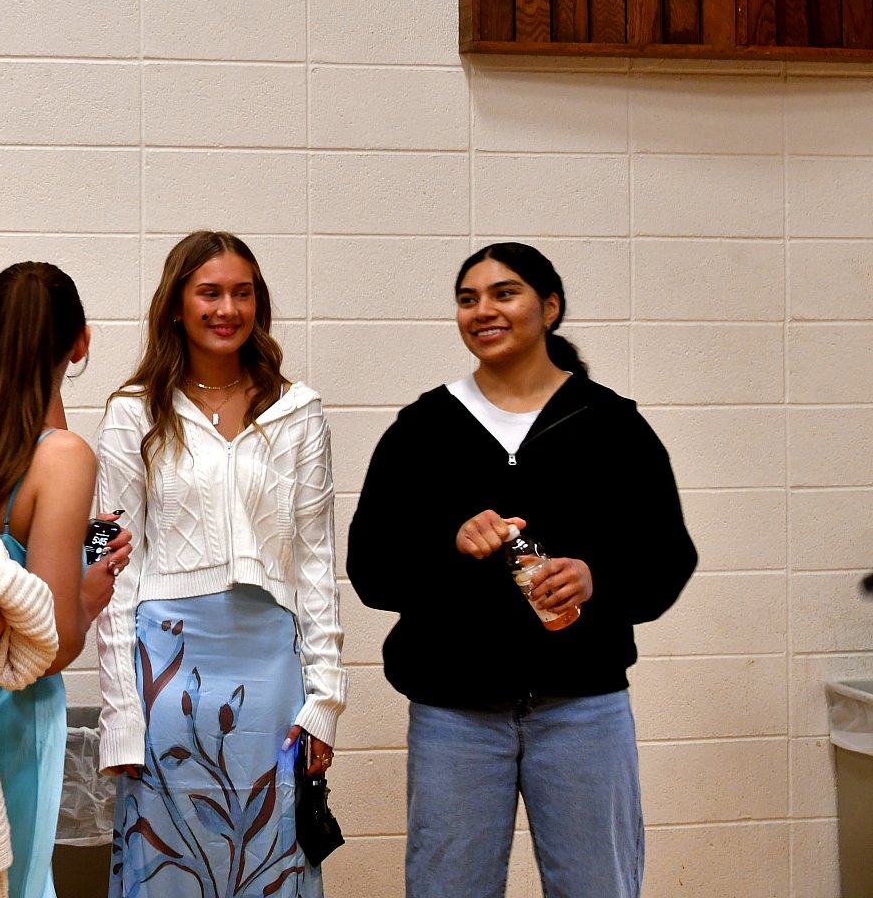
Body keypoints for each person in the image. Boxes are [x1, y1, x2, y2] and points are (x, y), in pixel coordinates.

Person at [346, 243, 696, 898]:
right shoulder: (423, 429)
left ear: (550, 307)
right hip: (454, 712)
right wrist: (449, 545)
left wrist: (597, 578)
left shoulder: (611, 424)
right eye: (468, 298)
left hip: (584, 707)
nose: (483, 310)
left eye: (504, 293)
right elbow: (371, 568)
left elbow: (669, 556)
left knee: (598, 887)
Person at [96, 231, 345, 898]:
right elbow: (108, 563)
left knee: (270, 851)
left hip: (271, 671)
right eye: (210, 293)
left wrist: (325, 698)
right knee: (168, 860)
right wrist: (121, 715)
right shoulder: (130, 412)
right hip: (167, 669)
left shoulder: (299, 410)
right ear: (177, 305)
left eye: (243, 293)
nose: (227, 308)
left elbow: (317, 562)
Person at [0, 261, 134, 898]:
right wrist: (89, 594)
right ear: (80, 343)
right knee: (12, 882)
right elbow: (51, 643)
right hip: (12, 709)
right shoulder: (63, 456)